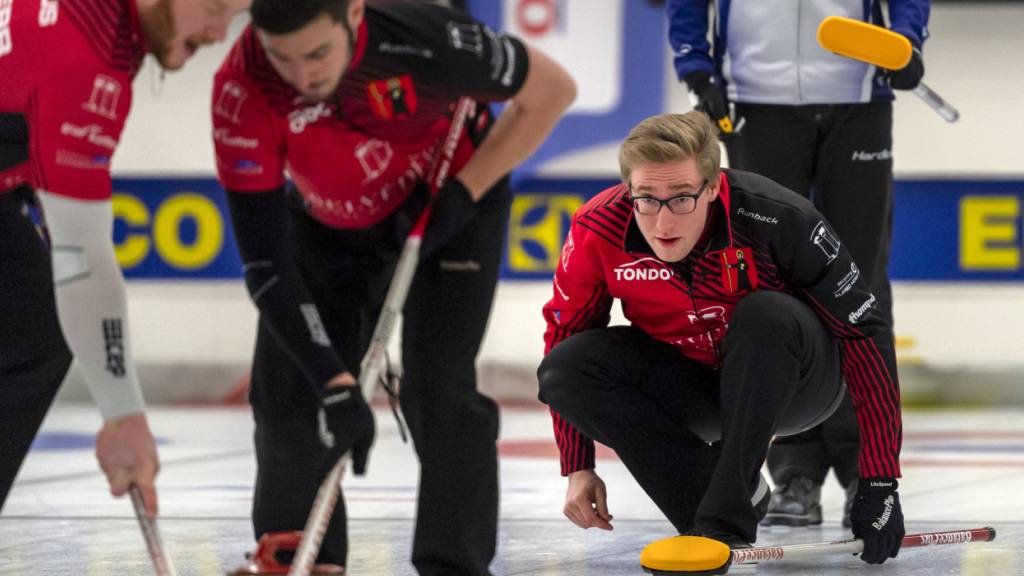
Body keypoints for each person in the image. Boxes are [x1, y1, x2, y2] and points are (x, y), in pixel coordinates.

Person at [210, 0, 575, 573]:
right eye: (282, 57)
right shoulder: (241, 86)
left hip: (449, 203)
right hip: (324, 220)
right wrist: (333, 381)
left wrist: (463, 193)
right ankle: (300, 559)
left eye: (316, 53)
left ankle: (453, 564)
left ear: (353, 14)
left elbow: (553, 90)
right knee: (289, 389)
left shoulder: (429, 39)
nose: (302, 77)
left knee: (439, 389)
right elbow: (264, 263)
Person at [537, 112, 904, 564]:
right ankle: (719, 504)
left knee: (766, 313)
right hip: (694, 385)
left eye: (682, 199)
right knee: (564, 368)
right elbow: (566, 330)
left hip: (800, 383)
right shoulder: (599, 227)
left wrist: (880, 483)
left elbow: (865, 333)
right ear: (628, 189)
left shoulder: (777, 216)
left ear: (712, 187)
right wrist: (577, 464)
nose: (663, 222)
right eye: (646, 199)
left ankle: (721, 522)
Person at [666, 0, 929, 527]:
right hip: (754, 102)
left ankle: (867, 471)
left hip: (858, 101)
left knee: (862, 285)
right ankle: (794, 471)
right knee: (772, 284)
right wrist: (695, 63)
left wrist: (907, 40)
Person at [0, 0, 250, 517]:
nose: (219, 32)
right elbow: (81, 257)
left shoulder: (105, 25)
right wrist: (125, 417)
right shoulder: (84, 57)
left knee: (33, 332)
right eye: (215, 8)